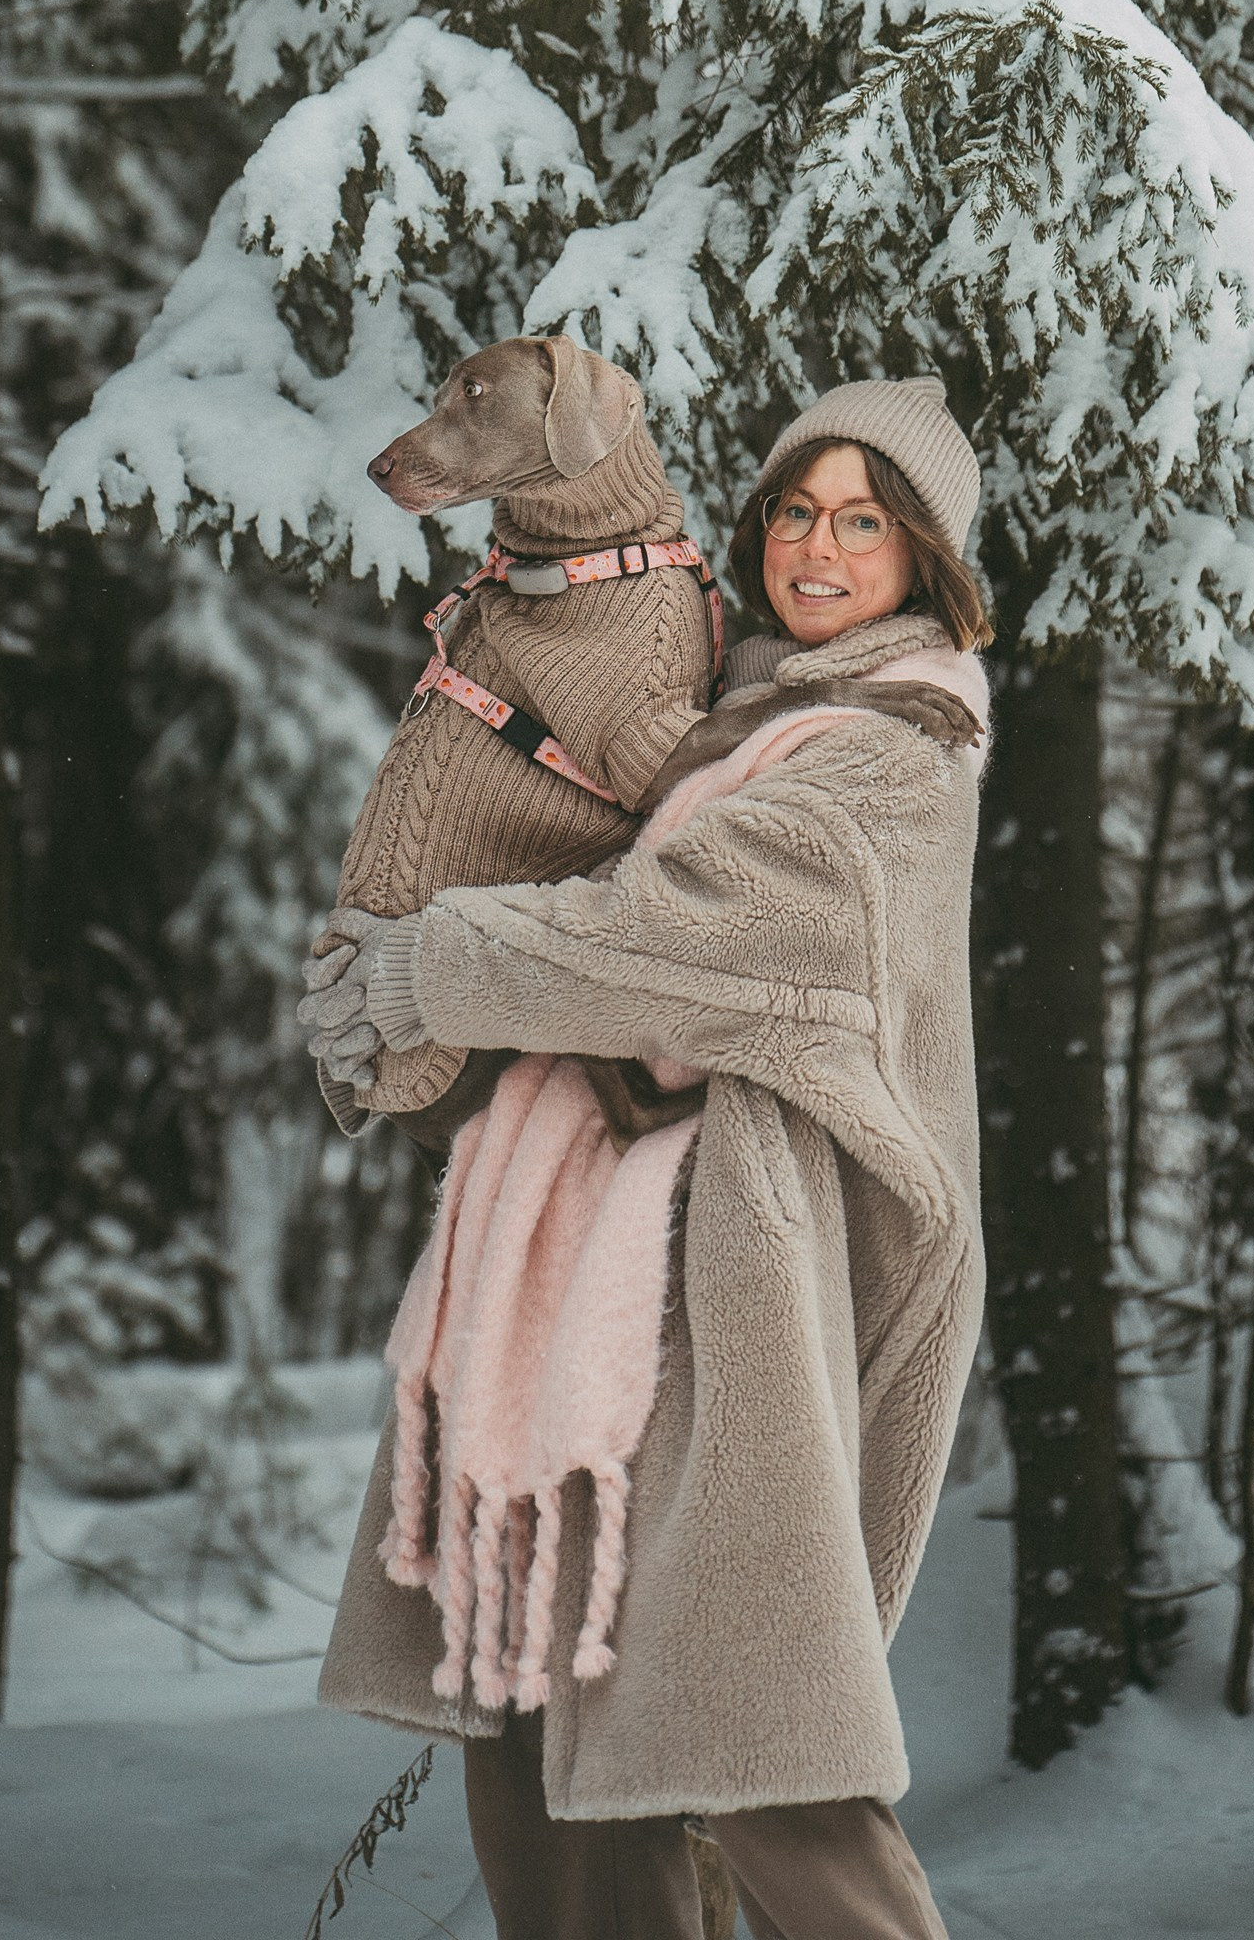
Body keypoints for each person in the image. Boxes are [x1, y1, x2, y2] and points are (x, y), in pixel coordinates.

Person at [299, 376, 992, 1940]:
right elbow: (564, 940)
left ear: (925, 562)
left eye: (864, 522)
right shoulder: (717, 710)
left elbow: (684, 953)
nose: (819, 547)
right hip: (585, 1307)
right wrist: (393, 1023)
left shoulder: (896, 753)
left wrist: (436, 965)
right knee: (554, 1738)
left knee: (759, 1752)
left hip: (734, 1306)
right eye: (798, 511)